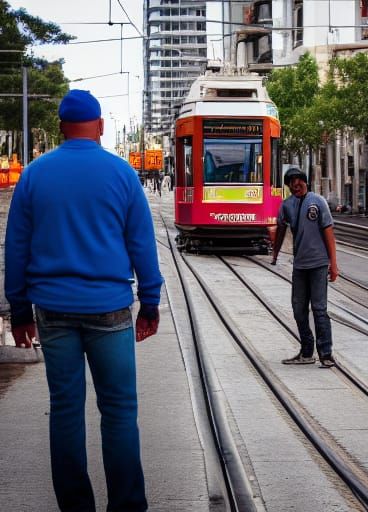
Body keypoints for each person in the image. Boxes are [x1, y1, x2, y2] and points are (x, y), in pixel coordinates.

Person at [4, 89, 163, 512]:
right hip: (109, 308)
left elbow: (16, 247)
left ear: (60, 127)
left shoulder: (34, 175)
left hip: (52, 310)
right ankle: (127, 505)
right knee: (119, 411)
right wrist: (149, 303)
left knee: (65, 409)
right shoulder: (122, 173)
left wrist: (18, 310)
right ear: (101, 126)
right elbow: (142, 244)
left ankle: (76, 507)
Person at [272, 167, 339, 368]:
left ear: (305, 182)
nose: (296, 185)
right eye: (291, 183)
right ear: (288, 186)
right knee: (298, 309)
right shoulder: (287, 205)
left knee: (319, 309)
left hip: (319, 264)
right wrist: (275, 253)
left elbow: (328, 232)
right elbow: (281, 229)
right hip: (300, 266)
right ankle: (307, 351)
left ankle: (326, 353)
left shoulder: (318, 202)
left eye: (298, 181)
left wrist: (333, 264)